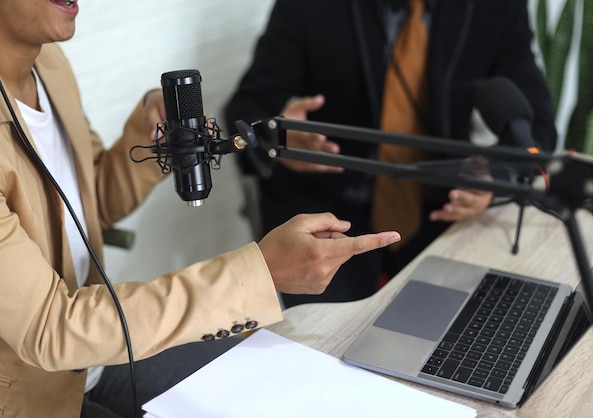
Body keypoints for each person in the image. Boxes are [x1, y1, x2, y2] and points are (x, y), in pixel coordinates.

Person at [0, 2, 401, 417]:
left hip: (97, 357)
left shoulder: (49, 64)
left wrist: (149, 132)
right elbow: (50, 330)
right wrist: (258, 273)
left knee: (274, 389)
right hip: (33, 392)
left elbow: (87, 207)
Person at [224, 0, 558, 308]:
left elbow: (534, 126)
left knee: (469, 337)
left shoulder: (498, 7)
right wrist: (278, 138)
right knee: (330, 349)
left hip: (442, 208)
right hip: (327, 212)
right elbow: (246, 110)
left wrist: (491, 177)